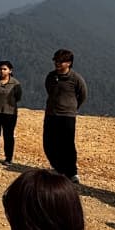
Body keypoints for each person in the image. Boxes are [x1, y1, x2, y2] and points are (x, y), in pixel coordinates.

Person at [43, 50, 87, 182]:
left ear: (69, 63)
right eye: (56, 61)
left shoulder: (76, 78)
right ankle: (58, 168)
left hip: (67, 116)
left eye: (61, 61)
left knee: (67, 144)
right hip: (51, 114)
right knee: (49, 143)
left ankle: (72, 172)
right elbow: (49, 90)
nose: (57, 63)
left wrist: (72, 107)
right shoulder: (51, 76)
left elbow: (83, 95)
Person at [0, 60, 22, 166]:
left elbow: (18, 97)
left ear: (10, 71)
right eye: (0, 69)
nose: (2, 71)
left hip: (9, 113)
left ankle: (8, 158)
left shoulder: (15, 84)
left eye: (5, 69)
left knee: (8, 136)